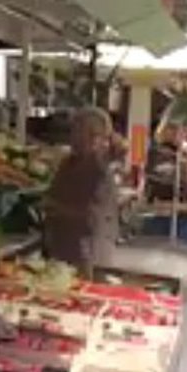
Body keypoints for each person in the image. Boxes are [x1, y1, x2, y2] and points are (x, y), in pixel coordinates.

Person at [43, 107, 122, 275]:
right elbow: (53, 193)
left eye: (78, 131)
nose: (72, 137)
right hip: (61, 248)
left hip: (88, 254)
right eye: (72, 130)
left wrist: (56, 208)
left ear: (96, 137)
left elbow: (93, 217)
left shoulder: (99, 170)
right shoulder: (67, 163)